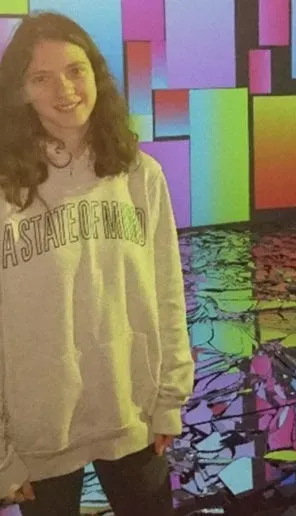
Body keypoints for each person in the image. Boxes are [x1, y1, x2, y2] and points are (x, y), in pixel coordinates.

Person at [0, 10, 194, 516]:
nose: (64, 89)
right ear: (20, 91)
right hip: (40, 436)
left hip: (132, 416)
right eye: (41, 78)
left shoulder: (140, 175)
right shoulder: (4, 188)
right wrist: (1, 453)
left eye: (75, 70)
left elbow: (168, 294)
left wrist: (169, 399)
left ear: (96, 74)